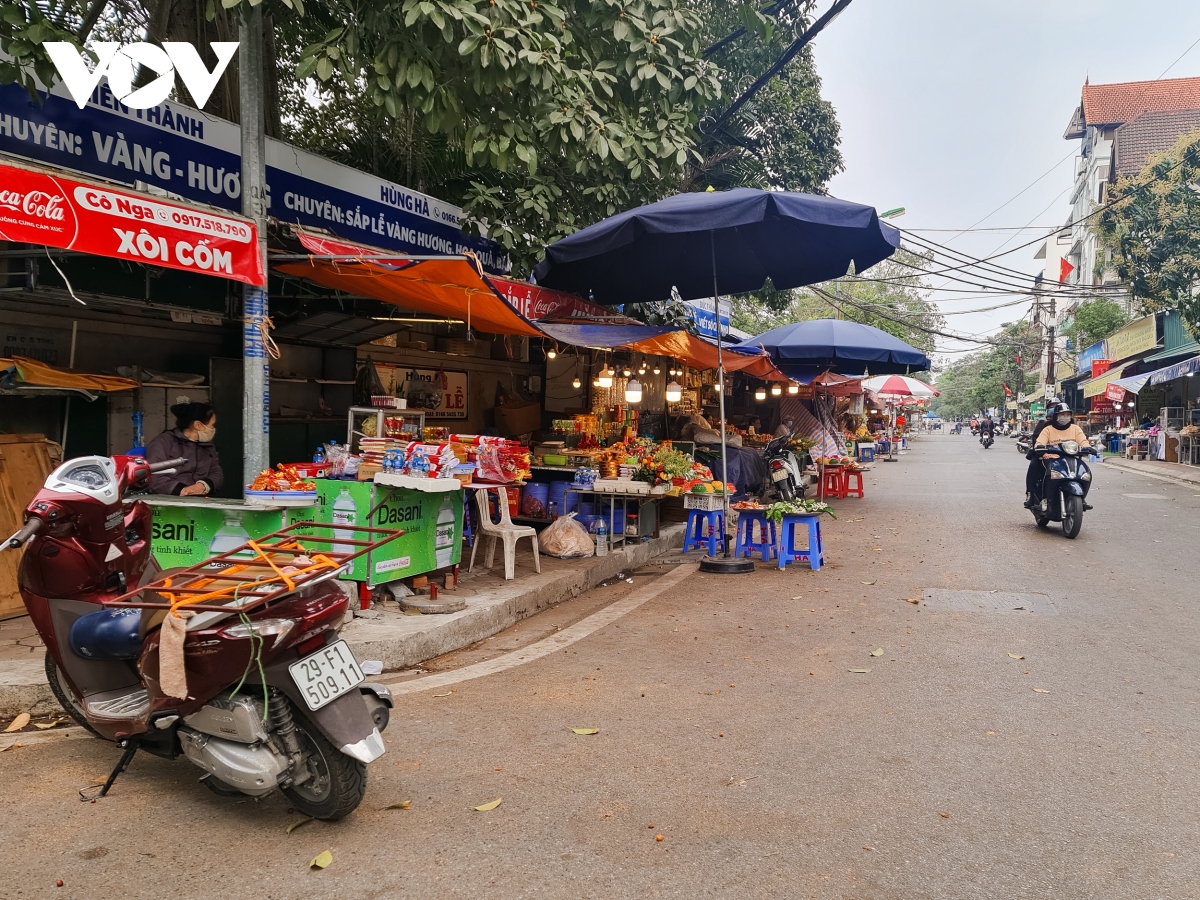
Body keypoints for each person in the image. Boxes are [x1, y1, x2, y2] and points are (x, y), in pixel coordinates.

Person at [145, 401, 224, 496]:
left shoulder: (208, 446)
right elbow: (153, 476)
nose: (213, 429)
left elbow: (217, 473)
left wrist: (203, 485)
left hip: (201, 500)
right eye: (212, 425)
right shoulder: (164, 441)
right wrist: (182, 490)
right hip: (170, 499)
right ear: (198, 425)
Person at [1024, 402, 1090, 509]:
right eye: (1062, 415)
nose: (1065, 417)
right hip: (1051, 458)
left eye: (1067, 415)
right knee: (1042, 471)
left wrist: (1088, 447)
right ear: (1056, 416)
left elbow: (1083, 441)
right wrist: (1043, 451)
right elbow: (1040, 442)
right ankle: (1039, 496)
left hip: (1072, 457)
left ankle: (1082, 498)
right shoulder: (1048, 429)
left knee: (1085, 473)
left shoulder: (1075, 428)